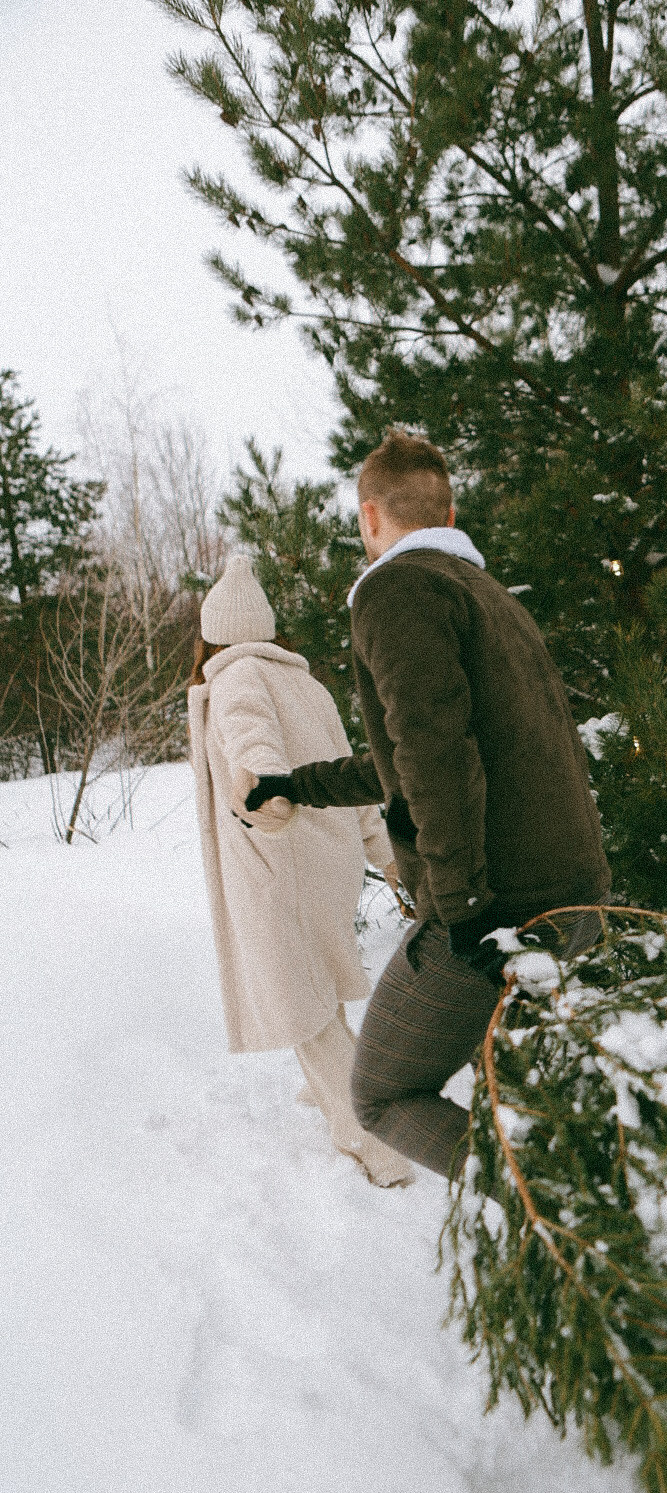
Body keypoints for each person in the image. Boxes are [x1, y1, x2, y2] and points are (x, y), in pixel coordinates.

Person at [244, 431, 612, 1180]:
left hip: (499, 907)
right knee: (519, 1094)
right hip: (574, 894)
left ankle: (563, 1212)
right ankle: (574, 1214)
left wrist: (463, 902)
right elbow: (408, 756)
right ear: (450, 509)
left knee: (382, 1095)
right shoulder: (486, 595)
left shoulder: (397, 590)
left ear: (369, 516)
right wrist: (296, 784)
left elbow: (437, 756)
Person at [187, 554, 413, 1187]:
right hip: (329, 859)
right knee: (314, 982)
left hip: (277, 864)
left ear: (214, 635)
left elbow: (253, 748)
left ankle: (369, 1138)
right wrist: (382, 850)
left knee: (298, 1003)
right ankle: (333, 1086)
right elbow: (349, 767)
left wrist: (265, 798)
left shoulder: (234, 679)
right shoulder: (305, 684)